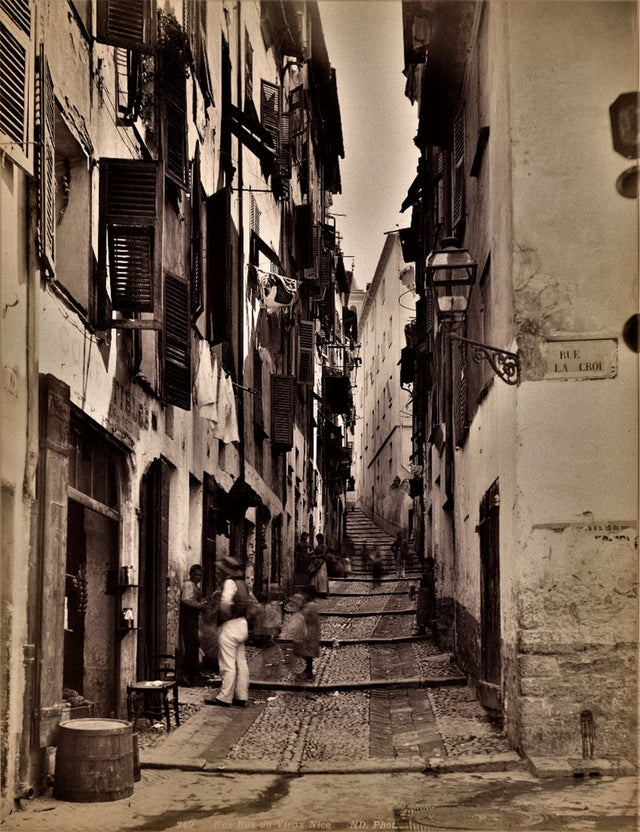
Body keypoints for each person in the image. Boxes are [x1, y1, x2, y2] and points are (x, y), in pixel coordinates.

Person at [204, 555, 250, 708]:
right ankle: (241, 695)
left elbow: (225, 603)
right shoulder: (243, 584)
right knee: (241, 663)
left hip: (230, 626)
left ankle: (225, 697)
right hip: (242, 624)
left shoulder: (230, 583)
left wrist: (222, 616)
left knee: (227, 663)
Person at [179, 564, 208, 686]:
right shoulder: (188, 585)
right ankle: (186, 674)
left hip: (193, 618)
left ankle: (194, 671)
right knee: (191, 644)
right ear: (191, 574)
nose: (198, 577)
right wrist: (200, 606)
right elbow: (186, 600)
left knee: (195, 643)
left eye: (200, 575)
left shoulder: (196, 586)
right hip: (187, 618)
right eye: (196, 575)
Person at [294, 585, 321, 681]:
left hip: (309, 634)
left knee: (308, 654)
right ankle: (307, 670)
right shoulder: (311, 604)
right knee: (306, 653)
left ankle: (308, 672)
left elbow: (305, 616)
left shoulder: (311, 606)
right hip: (310, 633)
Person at [416, 557, 437, 636]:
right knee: (421, 611)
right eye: (425, 564)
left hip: (426, 594)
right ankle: (422, 628)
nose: (425, 565)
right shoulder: (426, 572)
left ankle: (423, 628)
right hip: (423, 594)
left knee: (423, 611)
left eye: (427, 564)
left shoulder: (430, 573)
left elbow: (430, 584)